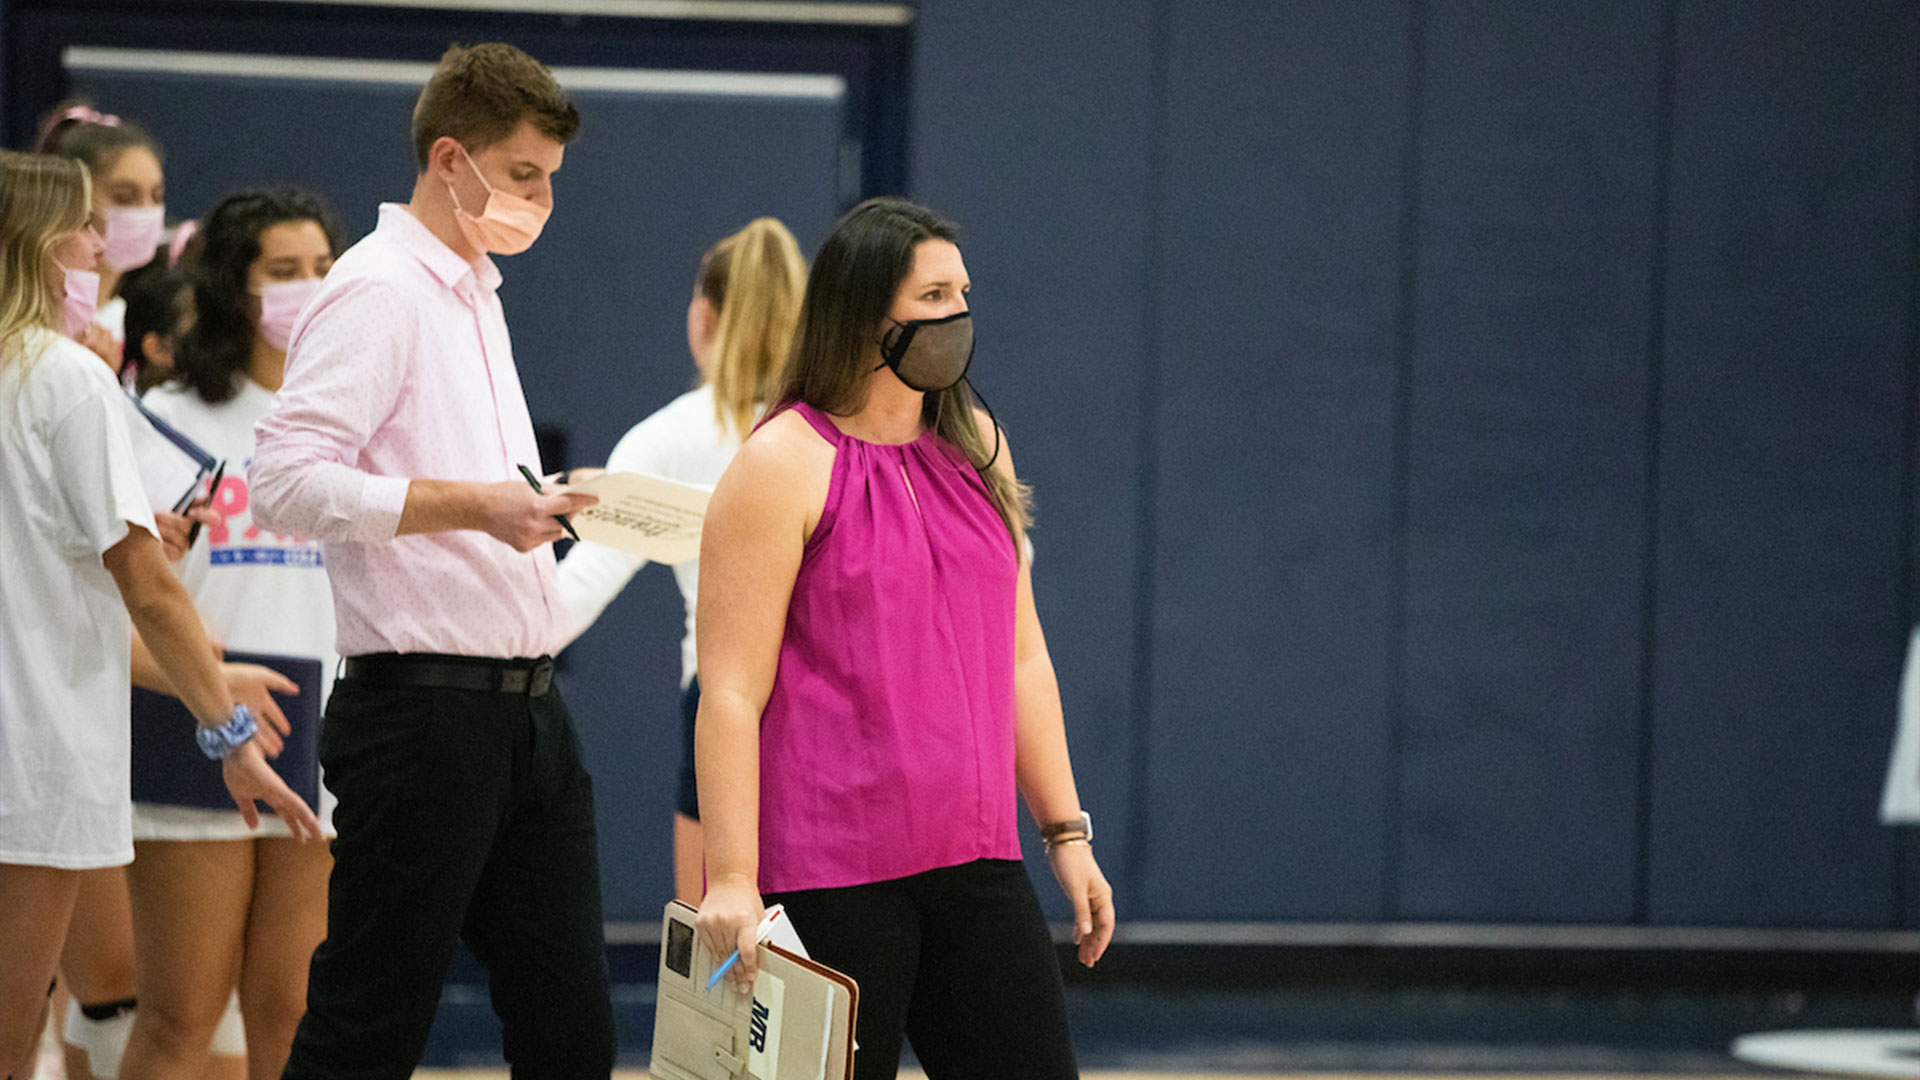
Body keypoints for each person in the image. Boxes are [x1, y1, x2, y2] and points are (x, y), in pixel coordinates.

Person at [249, 43, 615, 1080]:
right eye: (523, 175)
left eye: (549, 178)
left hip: (528, 716)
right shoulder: (377, 290)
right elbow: (284, 481)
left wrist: (529, 508)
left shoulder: (472, 291)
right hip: (422, 716)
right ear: (450, 158)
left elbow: (459, 488)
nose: (539, 201)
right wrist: (472, 505)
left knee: (570, 1024)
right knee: (369, 1025)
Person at [693, 197, 1116, 1080]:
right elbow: (730, 689)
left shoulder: (978, 447)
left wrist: (1066, 833)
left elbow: (1024, 658)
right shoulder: (780, 463)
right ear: (864, 311)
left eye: (963, 292)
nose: (958, 315)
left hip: (977, 858)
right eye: (933, 295)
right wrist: (732, 877)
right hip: (830, 873)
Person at [0, 149, 319, 1080]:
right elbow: (147, 584)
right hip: (37, 756)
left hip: (46, 740)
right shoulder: (61, 377)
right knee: (27, 1036)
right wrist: (225, 724)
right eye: (87, 225)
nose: (103, 246)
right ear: (34, 243)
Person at [115, 189, 344, 1080]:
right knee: (183, 1014)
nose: (308, 290)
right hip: (193, 710)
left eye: (323, 270)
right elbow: (126, 584)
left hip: (322, 726)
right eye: (283, 272)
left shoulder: (354, 419)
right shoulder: (165, 414)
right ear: (229, 288)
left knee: (292, 1009)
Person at [556, 217, 806, 903]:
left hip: (724, 707)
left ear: (704, 318)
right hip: (832, 710)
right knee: (832, 964)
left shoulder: (667, 437)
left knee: (714, 972)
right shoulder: (839, 433)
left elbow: (569, 602)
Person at [35, 104, 169, 378]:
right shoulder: (43, 325)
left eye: (156, 196)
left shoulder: (136, 315)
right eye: (124, 196)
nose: (145, 211)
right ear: (72, 199)